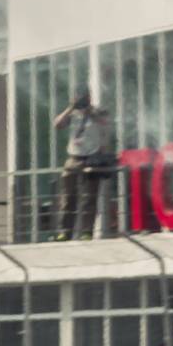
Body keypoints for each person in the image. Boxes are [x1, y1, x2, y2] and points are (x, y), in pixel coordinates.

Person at [51, 92, 110, 240]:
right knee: (68, 196)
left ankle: (86, 231)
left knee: (89, 197)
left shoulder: (98, 112)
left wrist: (90, 112)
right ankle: (65, 231)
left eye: (83, 99)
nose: (81, 103)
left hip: (92, 157)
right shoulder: (72, 115)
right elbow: (57, 125)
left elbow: (104, 122)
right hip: (74, 157)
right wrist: (70, 108)